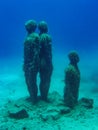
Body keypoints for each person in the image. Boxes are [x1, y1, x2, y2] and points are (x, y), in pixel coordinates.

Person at [23, 20, 40, 103]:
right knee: (28, 81)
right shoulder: (28, 36)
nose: (26, 27)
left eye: (28, 26)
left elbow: (37, 52)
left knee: (32, 81)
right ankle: (32, 97)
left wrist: (34, 63)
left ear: (32, 27)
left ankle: (34, 99)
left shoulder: (35, 37)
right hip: (27, 63)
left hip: (32, 63)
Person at [38, 21, 53, 101]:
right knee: (47, 79)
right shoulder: (47, 37)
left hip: (40, 61)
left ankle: (42, 96)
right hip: (46, 61)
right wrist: (50, 63)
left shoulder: (38, 36)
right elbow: (47, 51)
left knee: (42, 79)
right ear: (45, 27)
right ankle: (45, 97)